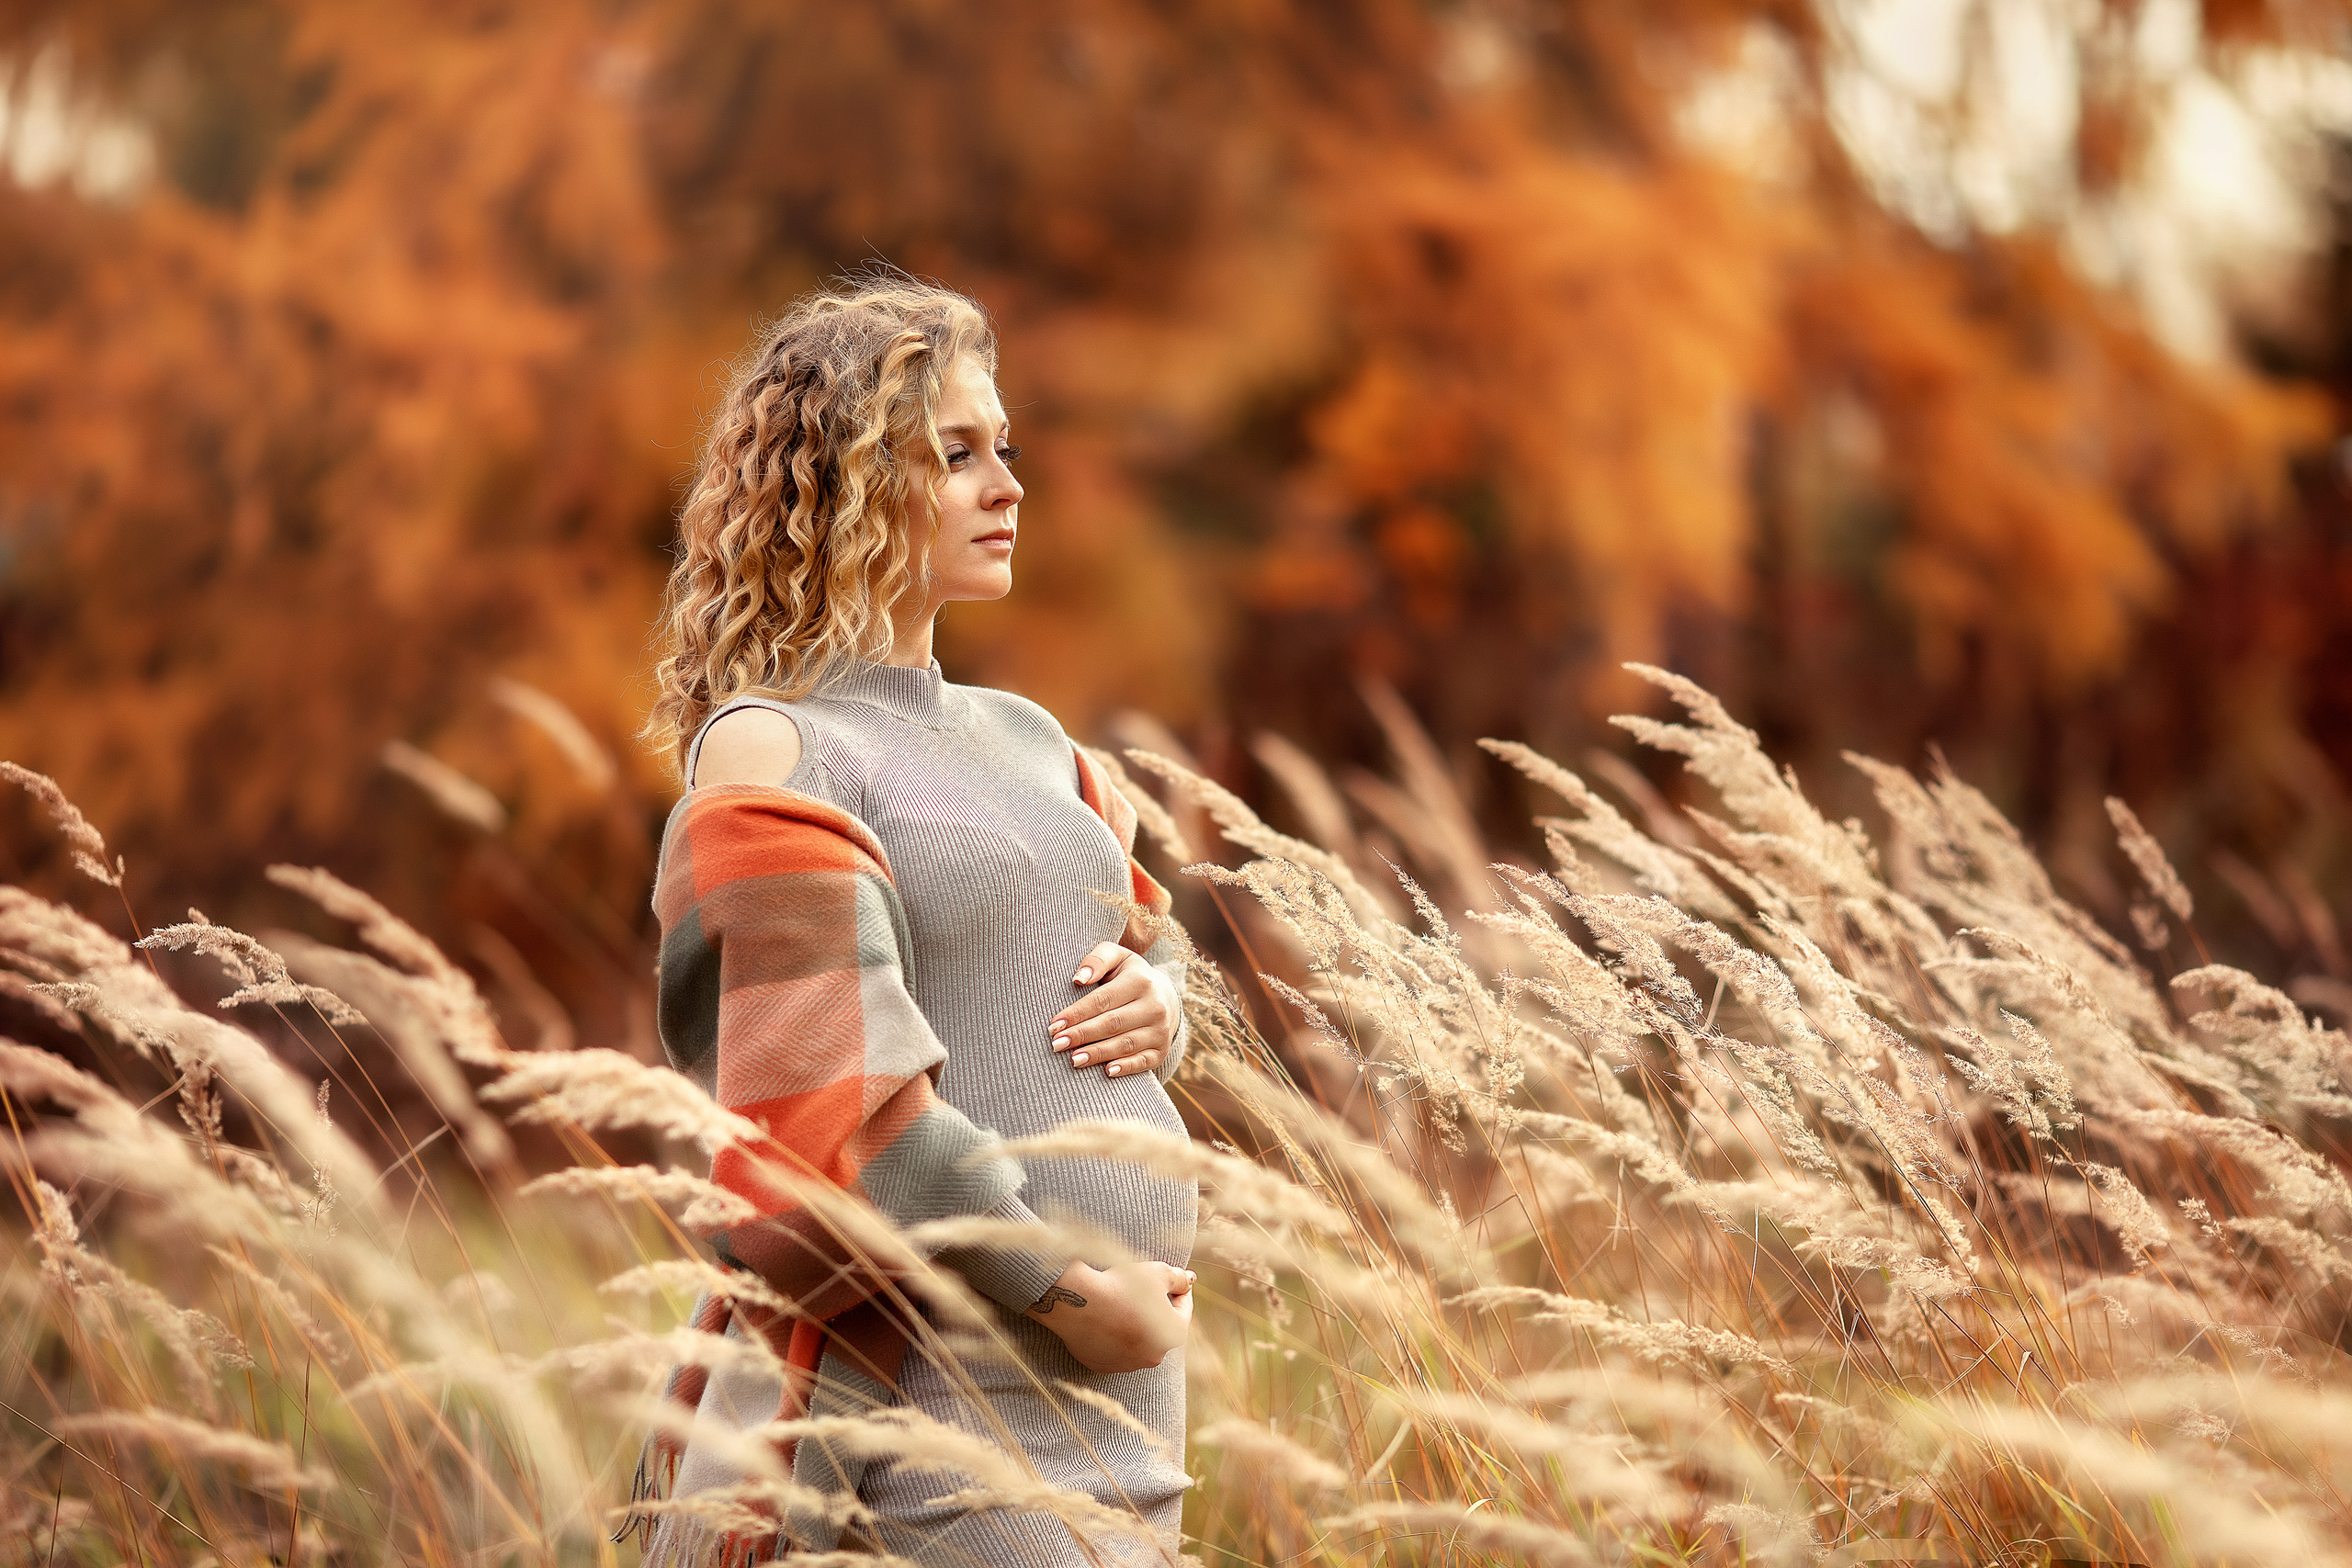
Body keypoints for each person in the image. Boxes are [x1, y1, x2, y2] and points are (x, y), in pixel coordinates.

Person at [636, 276, 1199, 1566]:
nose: (1008, 486)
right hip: (934, 1400)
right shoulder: (777, 749)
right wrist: (1062, 1288)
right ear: (844, 486)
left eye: (1006, 450)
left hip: (1129, 1391)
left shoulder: (1033, 741)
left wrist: (1167, 1001)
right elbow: (836, 1102)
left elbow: (1133, 941)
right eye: (956, 456)